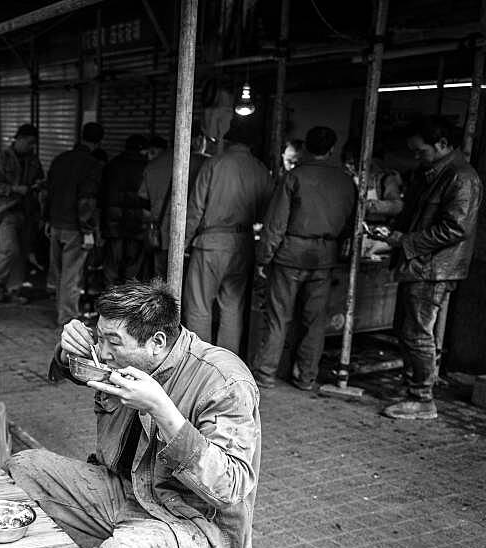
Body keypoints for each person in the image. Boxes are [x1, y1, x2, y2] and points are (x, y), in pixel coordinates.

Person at [0, 280, 260, 548]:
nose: (103, 352)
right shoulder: (124, 356)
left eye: (112, 342)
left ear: (157, 343)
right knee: (24, 468)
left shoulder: (223, 380)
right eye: (99, 338)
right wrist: (68, 351)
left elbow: (230, 486)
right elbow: (80, 369)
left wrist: (165, 414)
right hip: (127, 491)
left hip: (196, 524)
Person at [369, 116, 483, 419]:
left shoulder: (462, 177)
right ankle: (414, 388)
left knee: (418, 333)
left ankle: (422, 398)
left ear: (443, 144)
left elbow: (456, 228)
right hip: (420, 264)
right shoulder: (433, 173)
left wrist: (403, 240)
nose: (418, 157)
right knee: (409, 331)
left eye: (422, 151)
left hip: (433, 268)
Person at [254, 126, 357, 390]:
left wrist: (264, 258)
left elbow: (275, 224)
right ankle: (306, 376)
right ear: (332, 148)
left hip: (290, 256)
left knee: (278, 317)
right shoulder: (346, 181)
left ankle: (265, 374)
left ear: (306, 148)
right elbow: (350, 225)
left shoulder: (294, 177)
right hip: (324, 257)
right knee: (314, 321)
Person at [183, 121, 271, 354]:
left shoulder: (214, 164)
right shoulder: (261, 170)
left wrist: (183, 242)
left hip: (210, 244)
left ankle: (199, 361)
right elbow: (267, 213)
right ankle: (227, 365)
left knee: (199, 306)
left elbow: (195, 209)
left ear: (228, 140)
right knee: (233, 307)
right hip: (243, 244)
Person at [46, 122, 105, 326]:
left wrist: (47, 219)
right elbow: (86, 201)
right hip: (75, 227)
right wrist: (88, 231)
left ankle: (63, 309)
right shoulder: (91, 165)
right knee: (71, 274)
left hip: (56, 223)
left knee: (60, 271)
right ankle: (67, 317)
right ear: (98, 142)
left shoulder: (60, 160)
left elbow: (48, 192)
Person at [0, 123, 45, 304]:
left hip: (27, 212)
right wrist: (14, 189)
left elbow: (40, 179)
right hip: (6, 212)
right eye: (29, 142)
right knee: (9, 250)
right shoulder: (1, 160)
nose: (31, 146)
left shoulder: (33, 160)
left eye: (34, 143)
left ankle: (14, 289)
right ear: (18, 139)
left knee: (22, 253)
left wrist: (39, 187)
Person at [139, 129, 209, 279]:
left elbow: (144, 203)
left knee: (161, 285)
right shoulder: (206, 164)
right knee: (188, 287)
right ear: (198, 139)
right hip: (195, 242)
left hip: (161, 238)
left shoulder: (153, 165)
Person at [101, 134, 152, 286]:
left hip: (113, 226)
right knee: (132, 271)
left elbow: (102, 195)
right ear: (143, 150)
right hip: (137, 226)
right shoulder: (147, 167)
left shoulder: (112, 165)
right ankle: (127, 307)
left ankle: (108, 306)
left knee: (111, 268)